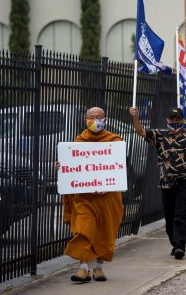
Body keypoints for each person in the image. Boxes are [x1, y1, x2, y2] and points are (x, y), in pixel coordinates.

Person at [129, 106, 186, 259]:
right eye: (172, 119)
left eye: (178, 119)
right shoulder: (159, 135)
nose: (175, 122)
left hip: (185, 180)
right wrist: (135, 116)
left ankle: (180, 246)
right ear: (167, 120)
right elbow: (140, 131)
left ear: (183, 120)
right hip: (166, 182)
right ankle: (174, 242)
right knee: (169, 216)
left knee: (181, 215)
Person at [60, 107, 124, 283]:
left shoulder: (115, 141)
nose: (96, 120)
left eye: (99, 117)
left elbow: (118, 168)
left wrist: (107, 184)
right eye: (92, 117)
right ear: (85, 121)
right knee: (84, 229)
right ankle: (83, 269)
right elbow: (73, 166)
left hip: (107, 197)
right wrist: (63, 166)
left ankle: (98, 268)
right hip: (84, 197)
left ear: (106, 120)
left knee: (104, 231)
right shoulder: (78, 142)